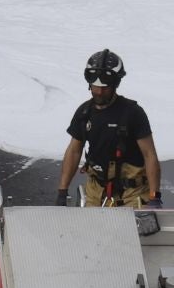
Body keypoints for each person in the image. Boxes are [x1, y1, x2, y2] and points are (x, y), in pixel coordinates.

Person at [55, 50, 162, 207]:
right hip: (96, 193)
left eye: (104, 88)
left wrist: (154, 197)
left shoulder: (132, 113)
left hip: (132, 195)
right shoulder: (85, 113)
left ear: (115, 84)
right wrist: (62, 192)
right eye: (95, 87)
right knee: (93, 231)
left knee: (131, 231)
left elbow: (149, 155)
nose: (98, 92)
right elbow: (74, 151)